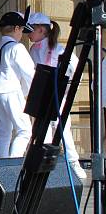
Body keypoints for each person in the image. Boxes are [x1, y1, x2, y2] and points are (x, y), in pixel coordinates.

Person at [27, 12, 86, 179]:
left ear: (42, 30)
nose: (28, 33)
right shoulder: (33, 50)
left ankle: (73, 162)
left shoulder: (60, 49)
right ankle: (43, 166)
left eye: (31, 29)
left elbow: (76, 69)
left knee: (62, 129)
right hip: (42, 96)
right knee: (41, 130)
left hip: (57, 94)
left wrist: (67, 89)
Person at [0, 10, 35, 159]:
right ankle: (14, 165)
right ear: (16, 28)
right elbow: (30, 75)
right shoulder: (17, 48)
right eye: (21, 29)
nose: (22, 34)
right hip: (12, 92)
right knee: (24, 131)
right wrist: (29, 94)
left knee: (3, 134)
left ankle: (2, 168)